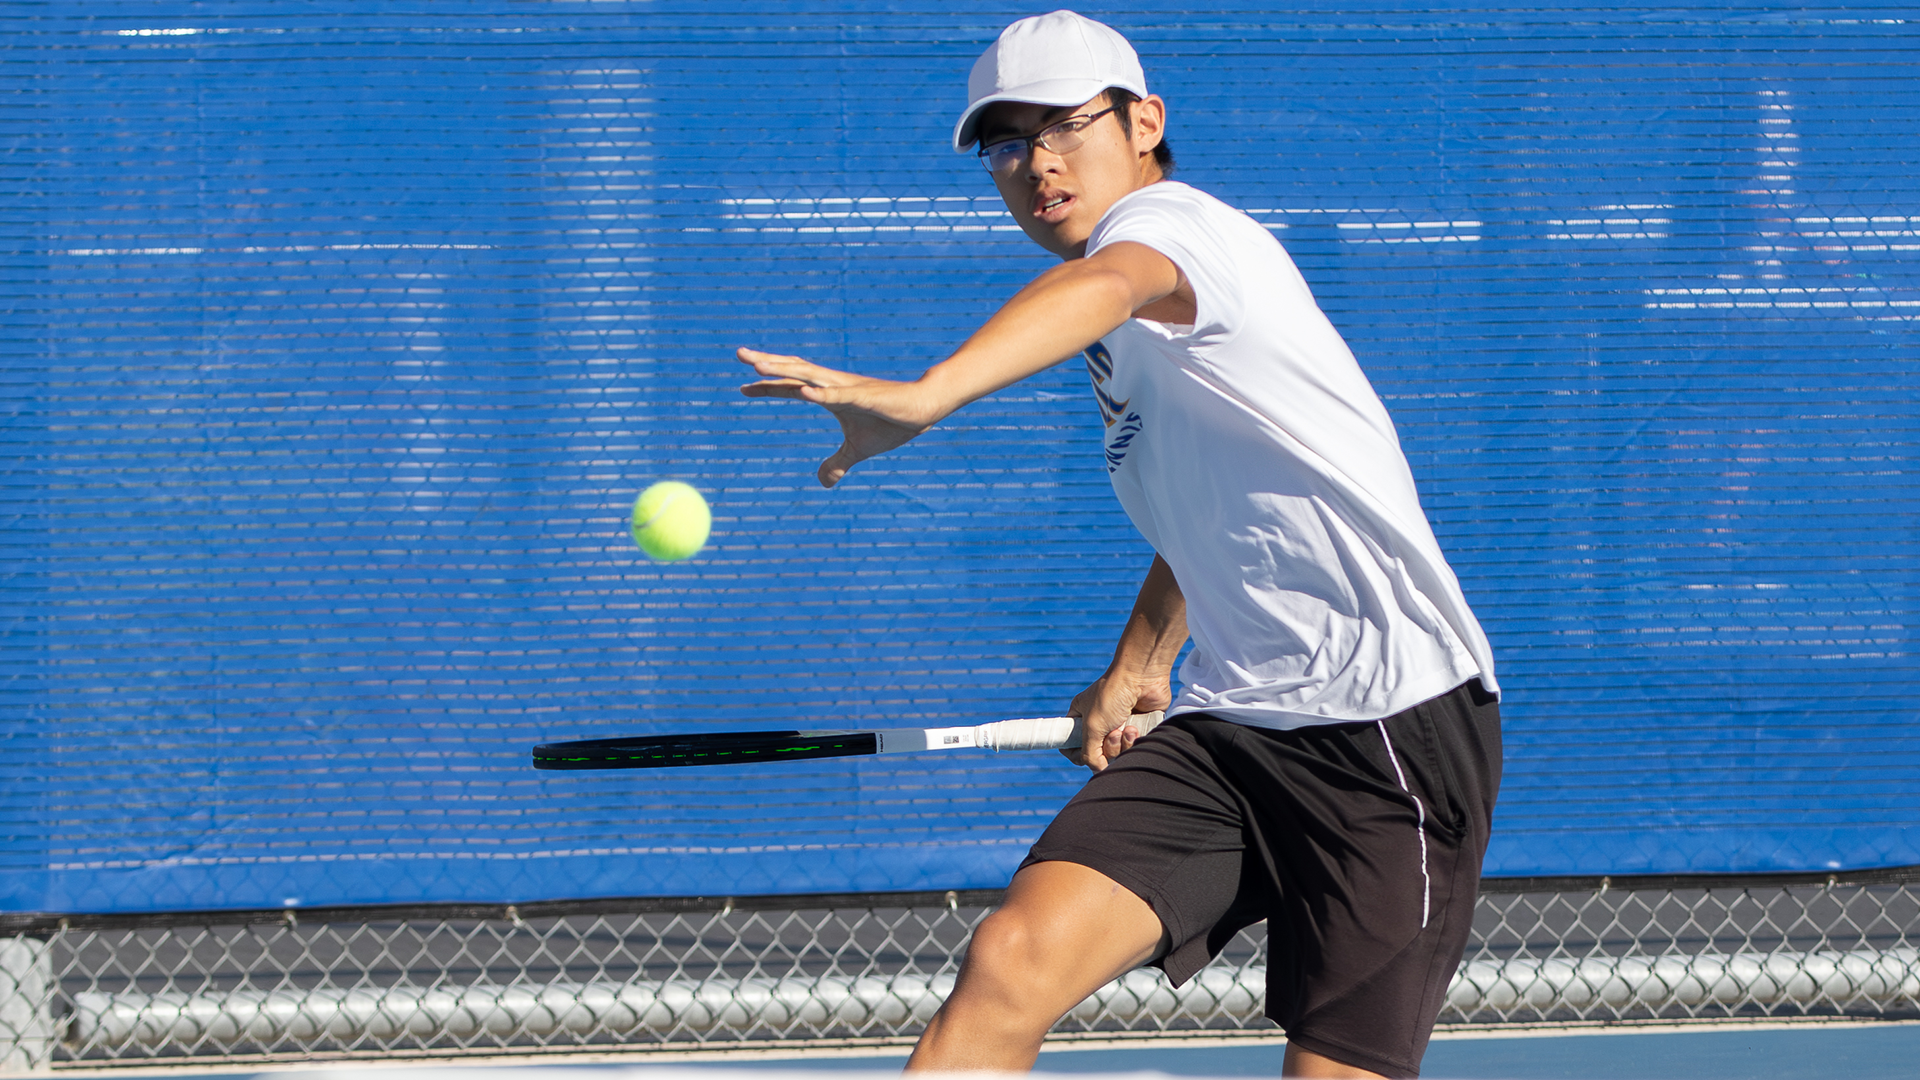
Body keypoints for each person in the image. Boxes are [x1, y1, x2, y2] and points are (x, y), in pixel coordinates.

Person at [738, 11, 1502, 1078]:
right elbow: (1215, 516)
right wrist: (1138, 667)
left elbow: (1108, 280)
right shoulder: (1132, 343)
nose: (1036, 162)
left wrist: (926, 396)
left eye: (1063, 125)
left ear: (1145, 123)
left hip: (1387, 725)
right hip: (1235, 722)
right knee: (1011, 960)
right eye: (1006, 145)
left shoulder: (1176, 231)